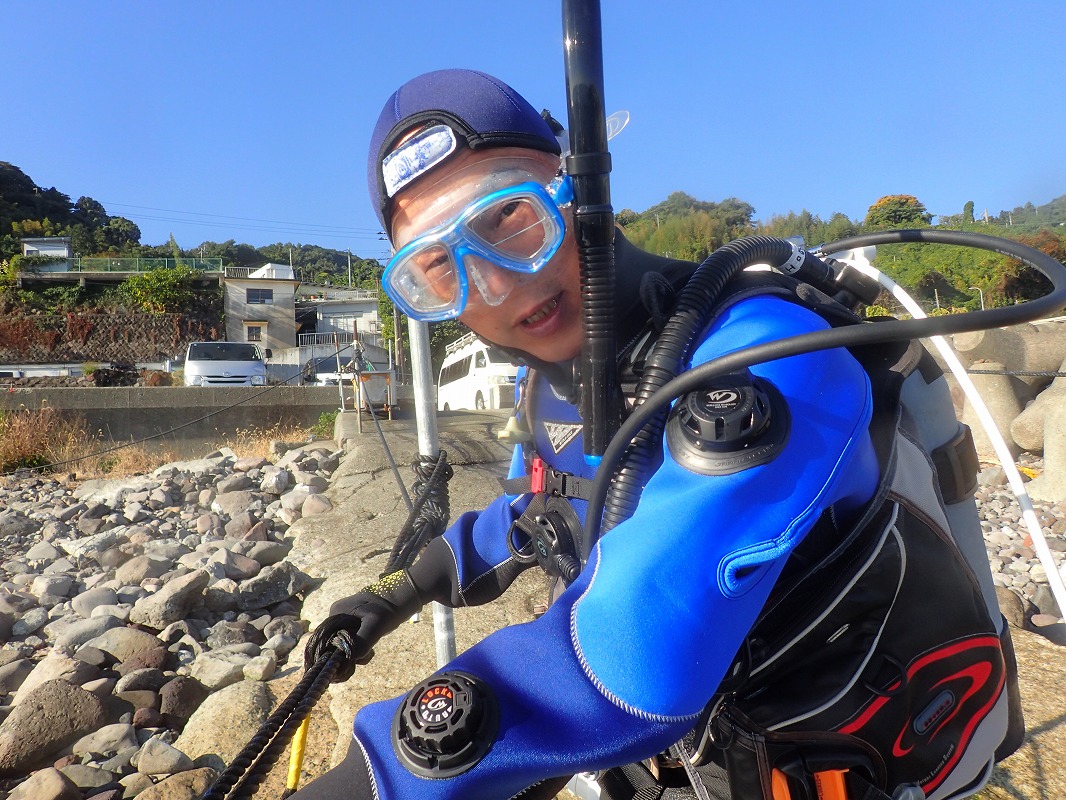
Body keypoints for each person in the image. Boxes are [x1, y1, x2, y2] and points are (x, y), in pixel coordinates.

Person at [294, 68, 1020, 800]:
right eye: (437, 269)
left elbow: (631, 662)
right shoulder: (544, 388)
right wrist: (393, 592)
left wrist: (374, 781)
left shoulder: (769, 352)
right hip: (688, 764)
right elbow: (534, 513)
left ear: (578, 188)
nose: (495, 283)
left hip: (846, 757)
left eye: (509, 218)